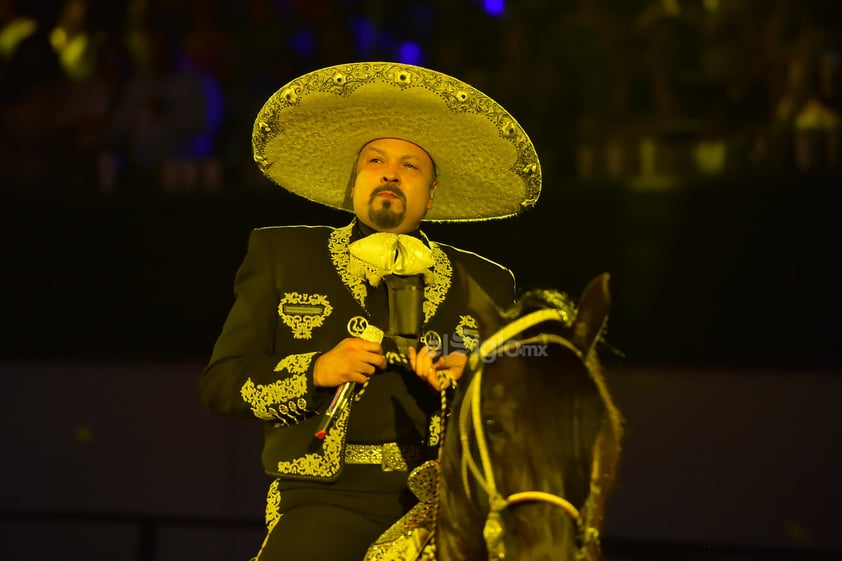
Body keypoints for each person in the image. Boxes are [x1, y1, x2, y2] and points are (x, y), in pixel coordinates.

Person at [199, 61, 542, 561]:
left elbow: (525, 410)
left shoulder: (487, 282)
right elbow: (220, 385)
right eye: (375, 160)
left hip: (446, 505)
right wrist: (316, 370)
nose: (390, 173)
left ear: (432, 192)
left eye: (410, 165)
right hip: (323, 499)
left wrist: (474, 379)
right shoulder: (283, 255)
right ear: (355, 180)